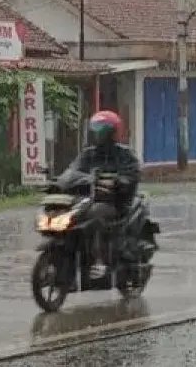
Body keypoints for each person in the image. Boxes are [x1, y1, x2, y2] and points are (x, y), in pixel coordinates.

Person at [64, 110, 141, 280]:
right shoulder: (88, 154)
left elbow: (131, 175)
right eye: (96, 131)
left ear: (113, 133)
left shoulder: (125, 154)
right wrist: (61, 181)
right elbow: (73, 171)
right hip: (88, 200)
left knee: (95, 214)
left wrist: (118, 182)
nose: (98, 136)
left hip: (115, 203)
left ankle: (99, 261)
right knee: (68, 215)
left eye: (103, 132)